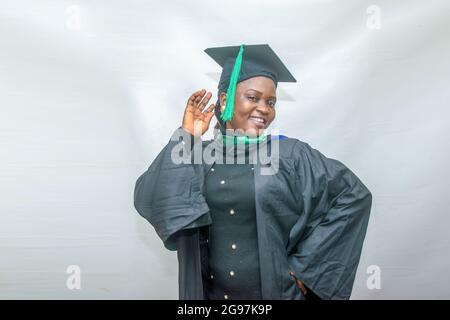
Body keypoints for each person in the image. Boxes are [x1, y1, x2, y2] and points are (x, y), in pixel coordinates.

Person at [134, 44, 372, 300]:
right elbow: (152, 198)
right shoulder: (197, 155)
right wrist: (188, 138)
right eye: (253, 97)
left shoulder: (289, 154)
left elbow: (353, 196)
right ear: (225, 100)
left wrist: (304, 270)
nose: (264, 109)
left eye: (270, 102)